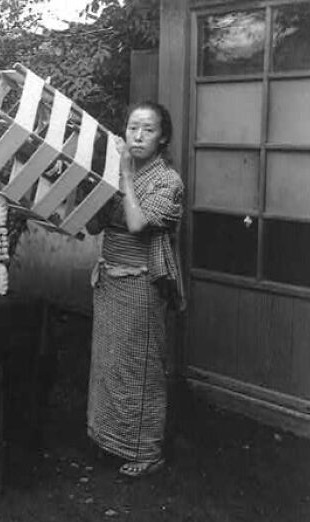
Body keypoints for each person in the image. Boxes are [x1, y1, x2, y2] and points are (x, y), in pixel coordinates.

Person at [85, 101, 185, 478]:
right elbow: (96, 227)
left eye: (148, 129)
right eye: (132, 129)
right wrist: (93, 183)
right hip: (110, 278)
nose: (138, 136)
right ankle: (109, 438)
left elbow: (138, 224)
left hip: (143, 282)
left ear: (163, 138)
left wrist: (124, 173)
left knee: (140, 367)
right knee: (109, 363)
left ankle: (147, 449)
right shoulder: (117, 173)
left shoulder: (168, 181)